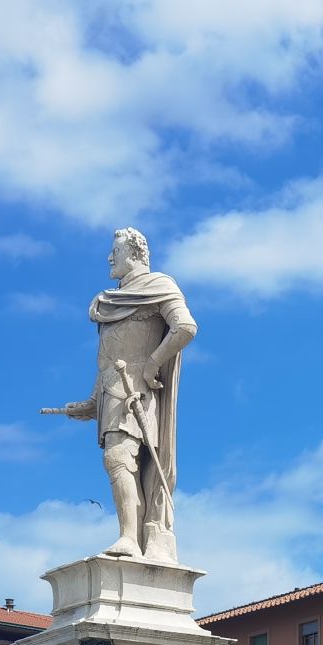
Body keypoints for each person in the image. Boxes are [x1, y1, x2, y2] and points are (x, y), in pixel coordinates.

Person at [48, 226, 199, 562]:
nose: (109, 257)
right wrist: (90, 403)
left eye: (115, 251)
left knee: (119, 458)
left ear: (135, 254)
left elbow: (185, 327)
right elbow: (106, 361)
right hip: (112, 389)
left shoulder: (159, 285)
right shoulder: (109, 301)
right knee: (123, 463)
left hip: (138, 392)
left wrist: (152, 364)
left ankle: (131, 538)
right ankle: (135, 538)